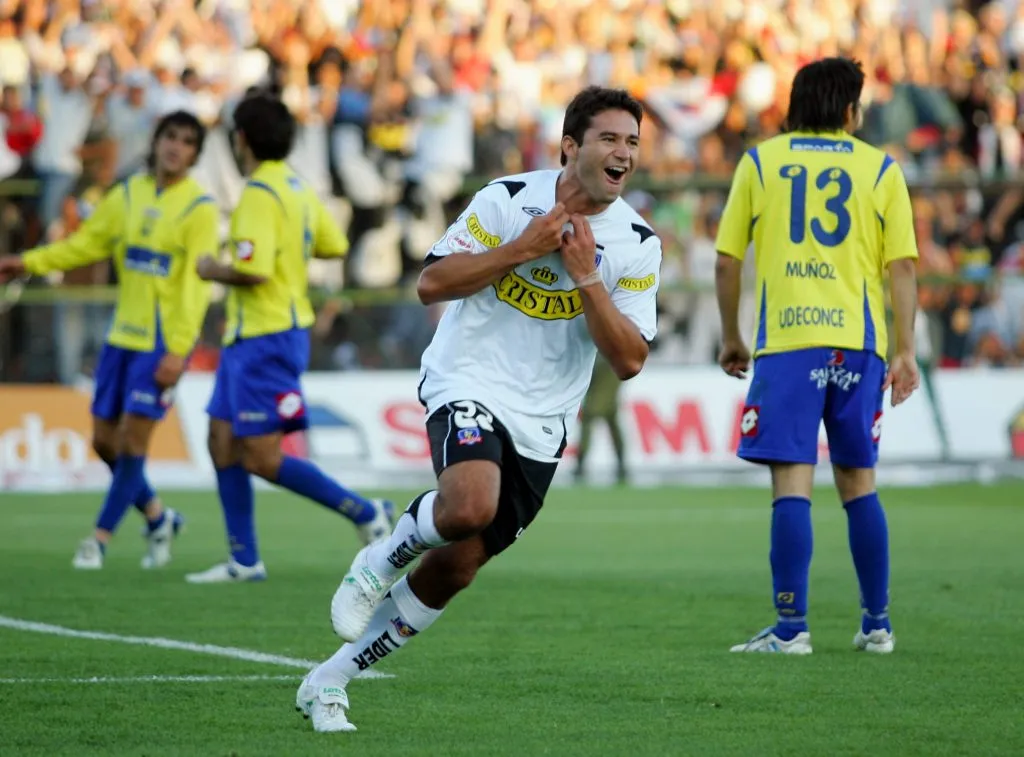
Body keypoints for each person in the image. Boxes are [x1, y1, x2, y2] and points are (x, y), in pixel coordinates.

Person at [295, 86, 662, 733]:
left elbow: (630, 357)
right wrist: (523, 247)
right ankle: (378, 559)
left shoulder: (635, 241)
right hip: (468, 378)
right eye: (609, 138)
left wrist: (585, 277)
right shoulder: (507, 199)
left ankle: (332, 678)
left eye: (632, 141)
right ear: (571, 147)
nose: (623, 152)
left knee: (457, 565)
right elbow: (432, 281)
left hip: (543, 425)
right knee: (468, 502)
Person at [713, 58, 921, 655]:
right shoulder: (881, 168)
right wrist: (904, 349)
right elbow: (902, 266)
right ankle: (877, 624)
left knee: (792, 485)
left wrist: (731, 335)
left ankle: (790, 629)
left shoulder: (761, 161)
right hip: (858, 346)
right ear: (850, 110)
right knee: (859, 482)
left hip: (788, 342)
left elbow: (728, 259)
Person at [186, 94, 393, 584]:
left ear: (241, 140)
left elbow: (253, 271)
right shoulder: (296, 188)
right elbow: (334, 243)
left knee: (262, 457)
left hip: (267, 336)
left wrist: (212, 267)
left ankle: (365, 512)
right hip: (252, 338)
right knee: (220, 441)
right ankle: (244, 560)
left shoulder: (258, 193)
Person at [0, 111, 218, 570]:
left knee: (134, 443)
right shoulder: (129, 194)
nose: (176, 147)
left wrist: (180, 349)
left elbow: (197, 288)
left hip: (161, 342)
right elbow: (86, 244)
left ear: (195, 154)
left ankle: (97, 539)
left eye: (186, 142)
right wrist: (28, 262)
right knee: (104, 442)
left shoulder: (199, 208)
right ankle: (158, 517)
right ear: (156, 141)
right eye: (169, 137)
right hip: (122, 336)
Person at [573, 355, 627, 484]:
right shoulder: (619, 358)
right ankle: (621, 465)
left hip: (594, 401)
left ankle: (580, 466)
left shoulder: (598, 358)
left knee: (585, 433)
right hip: (611, 400)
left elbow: (588, 377)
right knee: (616, 433)